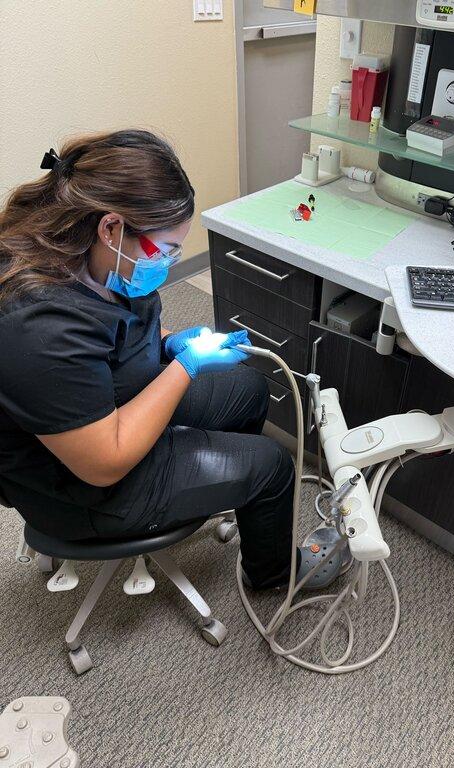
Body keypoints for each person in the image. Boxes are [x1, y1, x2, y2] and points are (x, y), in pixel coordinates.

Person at [0, 130, 295, 590]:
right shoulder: (37, 325)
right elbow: (104, 462)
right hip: (85, 487)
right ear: (112, 227)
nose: (170, 263)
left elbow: (120, 331)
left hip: (114, 401)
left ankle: (220, 487)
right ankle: (276, 578)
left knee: (249, 389)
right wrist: (185, 367)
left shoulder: (90, 253)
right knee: (271, 466)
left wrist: (171, 342)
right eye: (167, 249)